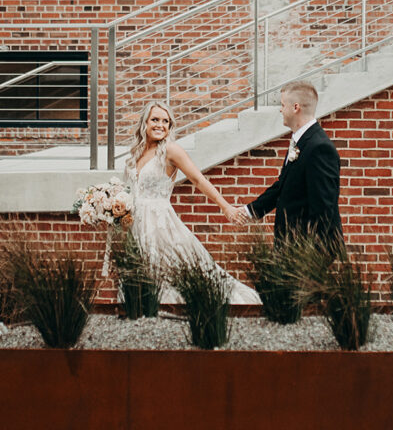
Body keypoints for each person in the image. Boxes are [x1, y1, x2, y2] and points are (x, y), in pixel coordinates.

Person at [125, 101, 260, 305]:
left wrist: (225, 206)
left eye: (165, 121)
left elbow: (199, 179)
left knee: (175, 269)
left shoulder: (171, 150)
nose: (160, 125)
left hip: (160, 223)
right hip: (136, 224)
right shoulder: (136, 152)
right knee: (142, 273)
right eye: (155, 120)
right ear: (144, 123)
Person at [234, 81, 344, 249]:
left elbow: (323, 208)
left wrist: (310, 258)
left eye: (283, 105)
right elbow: (283, 186)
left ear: (295, 108)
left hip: (306, 250)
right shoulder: (301, 140)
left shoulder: (319, 148)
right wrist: (250, 211)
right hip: (290, 246)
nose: (280, 109)